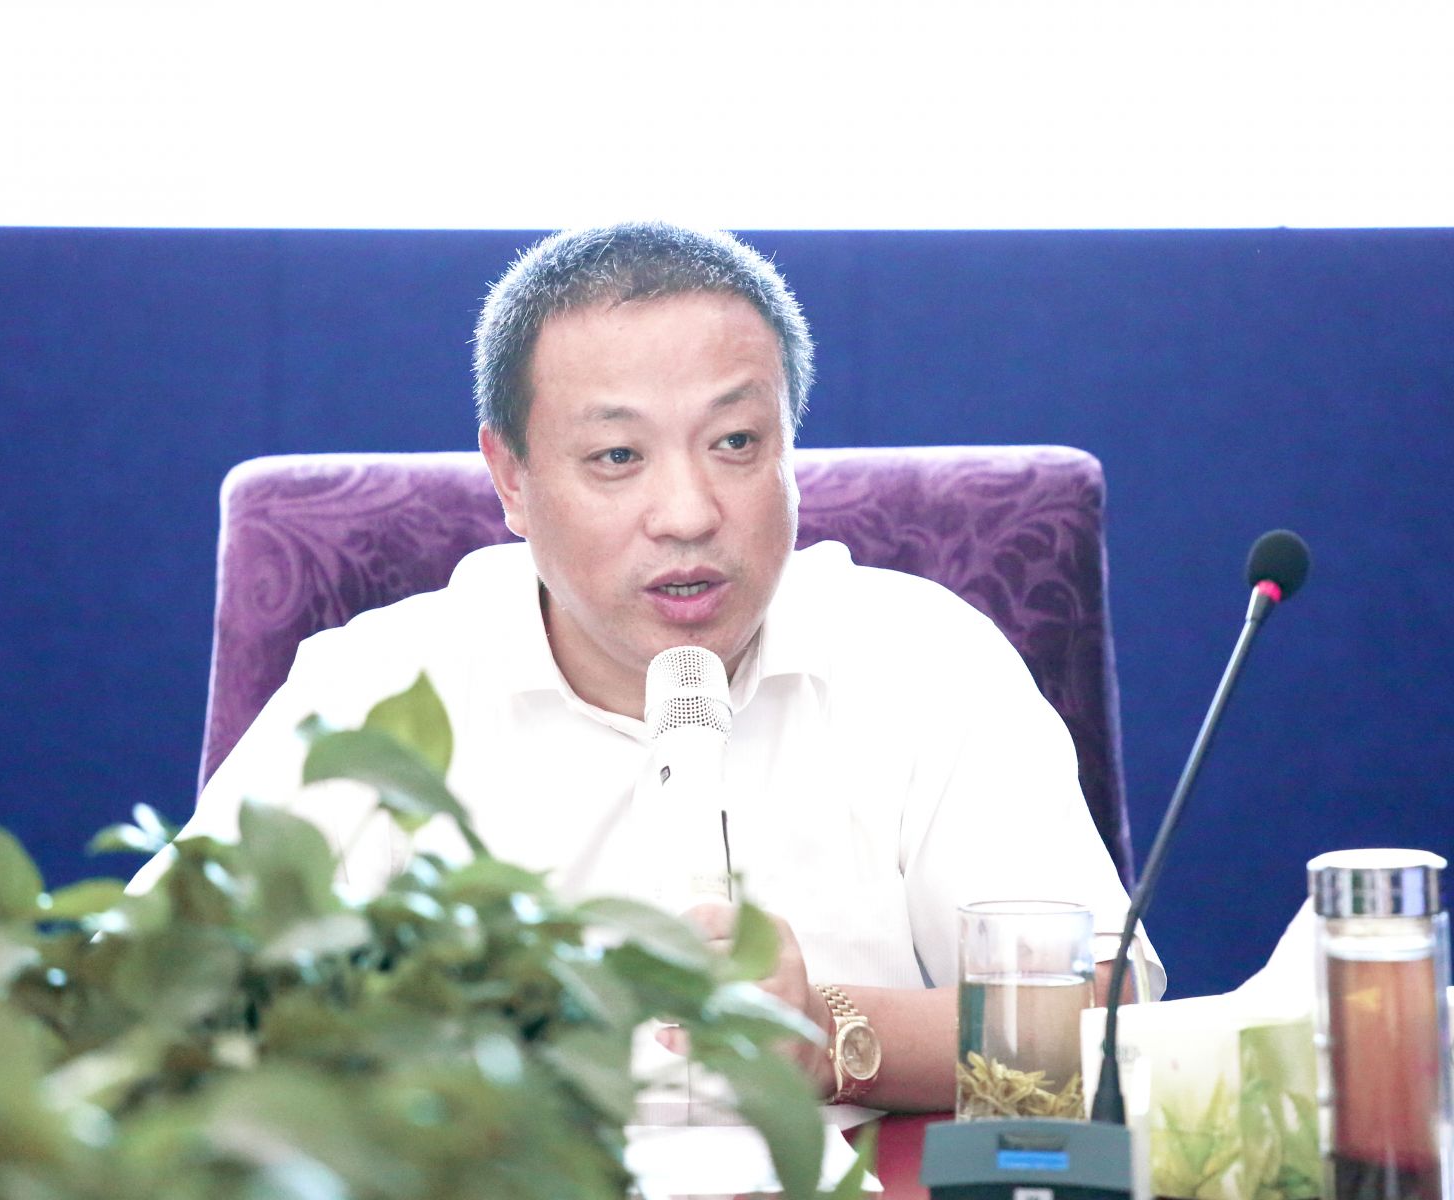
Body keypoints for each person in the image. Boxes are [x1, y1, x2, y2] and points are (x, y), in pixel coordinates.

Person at [150, 221, 1160, 1113]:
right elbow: (144, 1001)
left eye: (736, 442)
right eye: (617, 458)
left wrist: (832, 1034)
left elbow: (1110, 1029)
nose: (687, 513)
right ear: (510, 477)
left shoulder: (921, 659)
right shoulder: (378, 690)